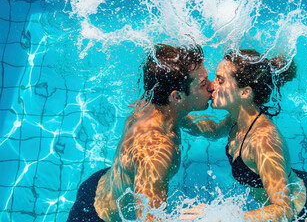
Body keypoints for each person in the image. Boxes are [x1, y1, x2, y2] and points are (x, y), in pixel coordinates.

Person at [182, 49, 307, 221]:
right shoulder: (239, 119)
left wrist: (221, 217)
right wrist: (174, 114)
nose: (212, 85)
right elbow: (212, 130)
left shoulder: (263, 141)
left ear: (244, 92)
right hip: (290, 194)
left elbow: (283, 210)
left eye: (220, 80)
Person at [67, 44, 213, 222]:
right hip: (96, 217)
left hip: (100, 183)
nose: (213, 87)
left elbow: (210, 129)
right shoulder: (156, 150)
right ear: (178, 97)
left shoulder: (157, 107)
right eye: (204, 84)